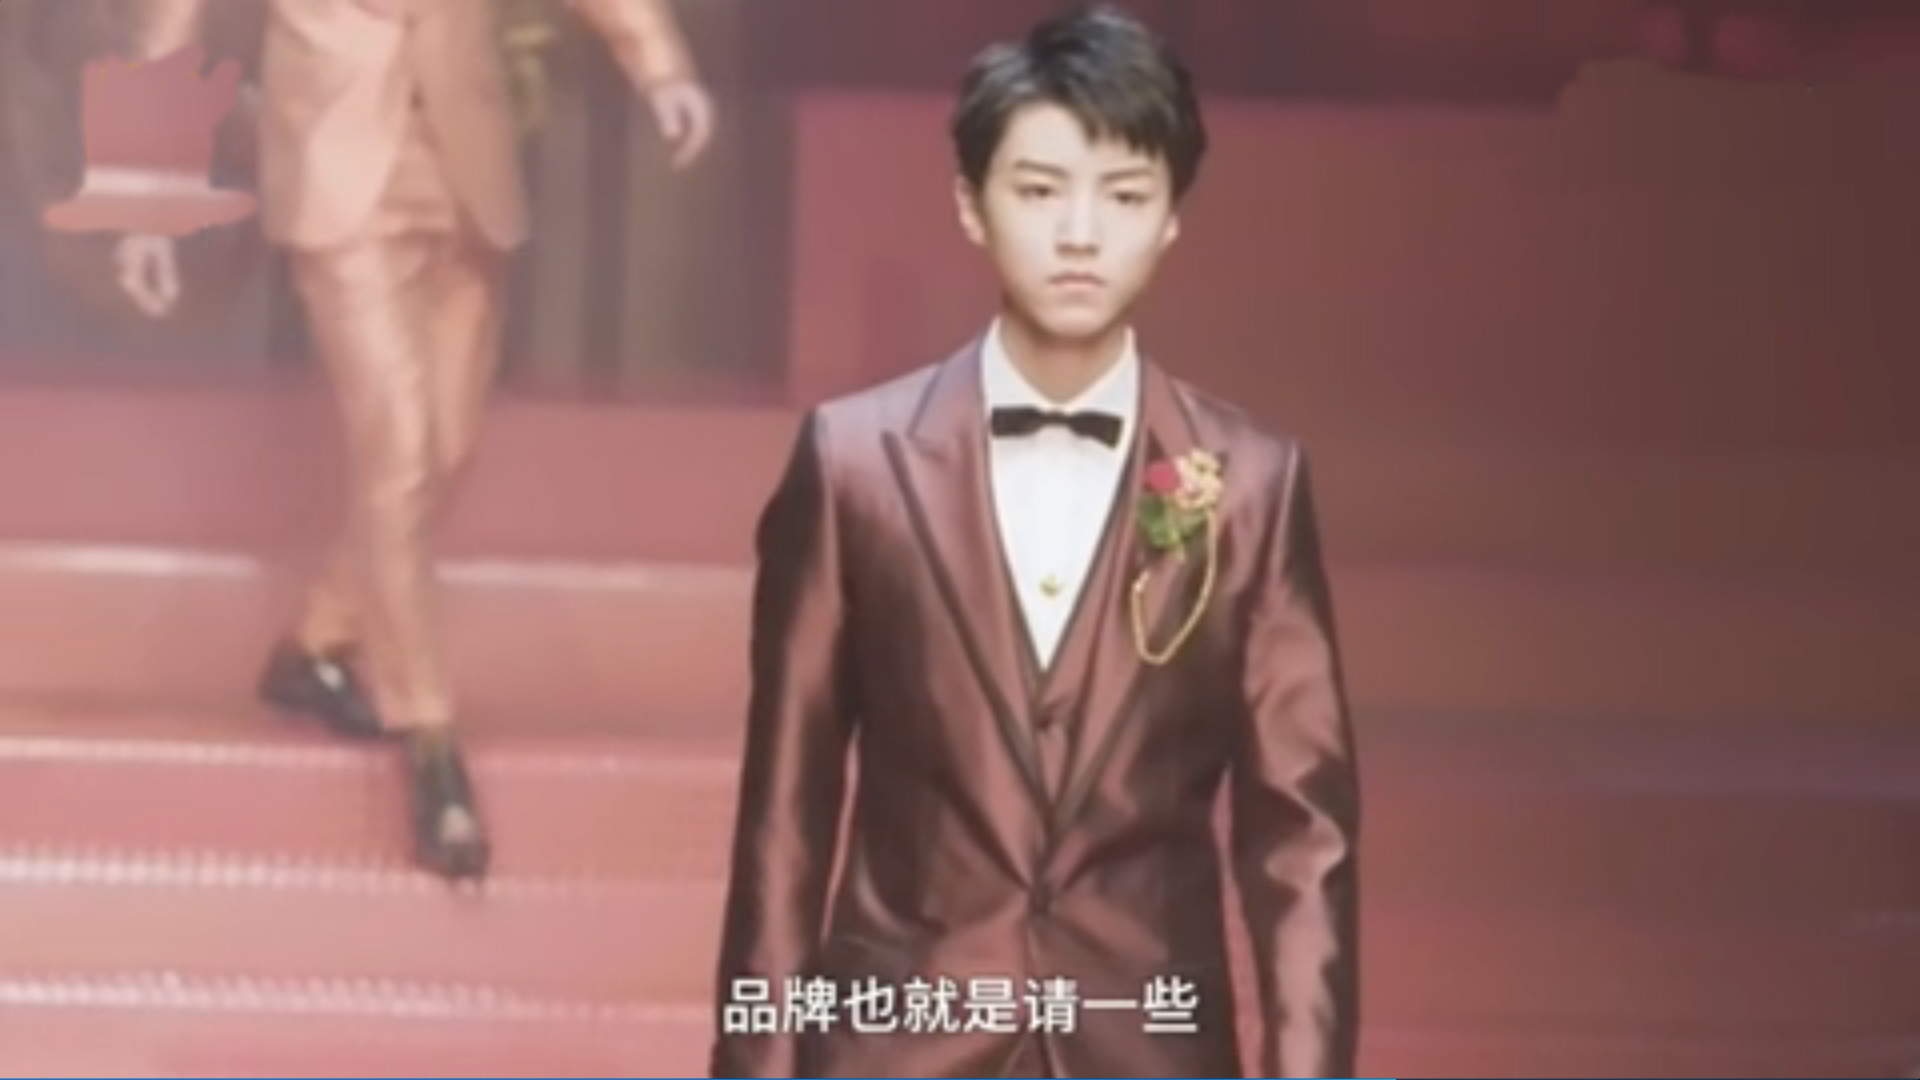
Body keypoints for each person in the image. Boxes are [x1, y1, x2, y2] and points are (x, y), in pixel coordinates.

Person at [709, 6, 1359, 1077]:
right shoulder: (852, 464)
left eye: (1125, 195)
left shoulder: (1250, 484)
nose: (1080, 234)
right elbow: (785, 819)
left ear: (1172, 217)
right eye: (1041, 190)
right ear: (971, 204)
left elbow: (1303, 836)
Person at [114, 0, 717, 881]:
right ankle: (431, 737)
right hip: (338, 169)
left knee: (445, 450)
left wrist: (659, 64)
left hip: (465, 163)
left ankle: (315, 644)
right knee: (398, 453)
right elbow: (167, 28)